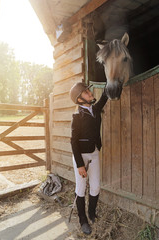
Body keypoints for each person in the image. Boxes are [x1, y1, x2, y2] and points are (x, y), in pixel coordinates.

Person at [70, 82, 108, 235]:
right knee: (80, 189)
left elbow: (105, 96)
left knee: (96, 186)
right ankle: (82, 220)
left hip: (94, 153)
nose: (89, 92)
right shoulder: (77, 116)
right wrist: (80, 165)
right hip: (81, 156)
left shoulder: (95, 109)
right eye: (85, 92)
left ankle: (92, 213)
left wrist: (111, 81)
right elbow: (73, 141)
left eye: (88, 90)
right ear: (80, 100)